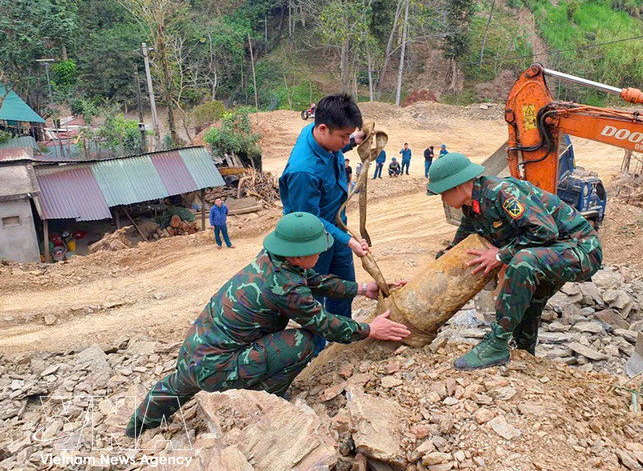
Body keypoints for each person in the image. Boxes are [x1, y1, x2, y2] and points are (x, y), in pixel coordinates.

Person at [125, 212, 411, 438]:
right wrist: (370, 330)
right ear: (298, 255)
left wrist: (361, 289)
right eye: (317, 250)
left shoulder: (274, 260)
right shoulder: (285, 287)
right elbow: (325, 324)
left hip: (194, 354)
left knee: (179, 384)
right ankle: (262, 400)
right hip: (217, 367)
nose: (321, 254)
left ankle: (136, 427)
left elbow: (316, 281)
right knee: (306, 342)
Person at [427, 153, 602, 370]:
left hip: (580, 249)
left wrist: (500, 255)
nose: (443, 199)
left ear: (457, 186)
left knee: (522, 262)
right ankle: (523, 352)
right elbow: (457, 250)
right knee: (528, 298)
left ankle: (497, 343)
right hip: (551, 252)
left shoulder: (501, 194)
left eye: (443, 193)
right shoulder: (472, 209)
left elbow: (545, 230)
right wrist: (426, 278)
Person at [279, 94, 369, 355]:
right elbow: (308, 221)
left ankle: (342, 345)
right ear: (322, 129)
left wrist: (355, 140)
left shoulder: (324, 139)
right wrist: (349, 241)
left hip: (337, 231)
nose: (344, 142)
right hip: (311, 242)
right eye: (343, 137)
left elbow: (338, 144)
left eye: (347, 136)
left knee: (344, 288)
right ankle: (316, 356)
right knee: (314, 300)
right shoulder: (303, 171)